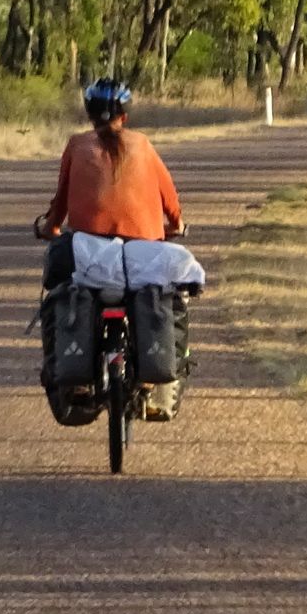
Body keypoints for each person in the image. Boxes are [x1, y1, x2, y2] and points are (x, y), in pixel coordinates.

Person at [33, 77, 187, 417]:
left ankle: (74, 379)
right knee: (167, 296)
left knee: (62, 293)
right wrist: (176, 225)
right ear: (125, 116)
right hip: (143, 251)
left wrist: (51, 228)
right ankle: (154, 383)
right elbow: (169, 198)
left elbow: (60, 202)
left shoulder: (77, 145)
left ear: (89, 114)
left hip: (89, 254)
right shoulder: (142, 144)